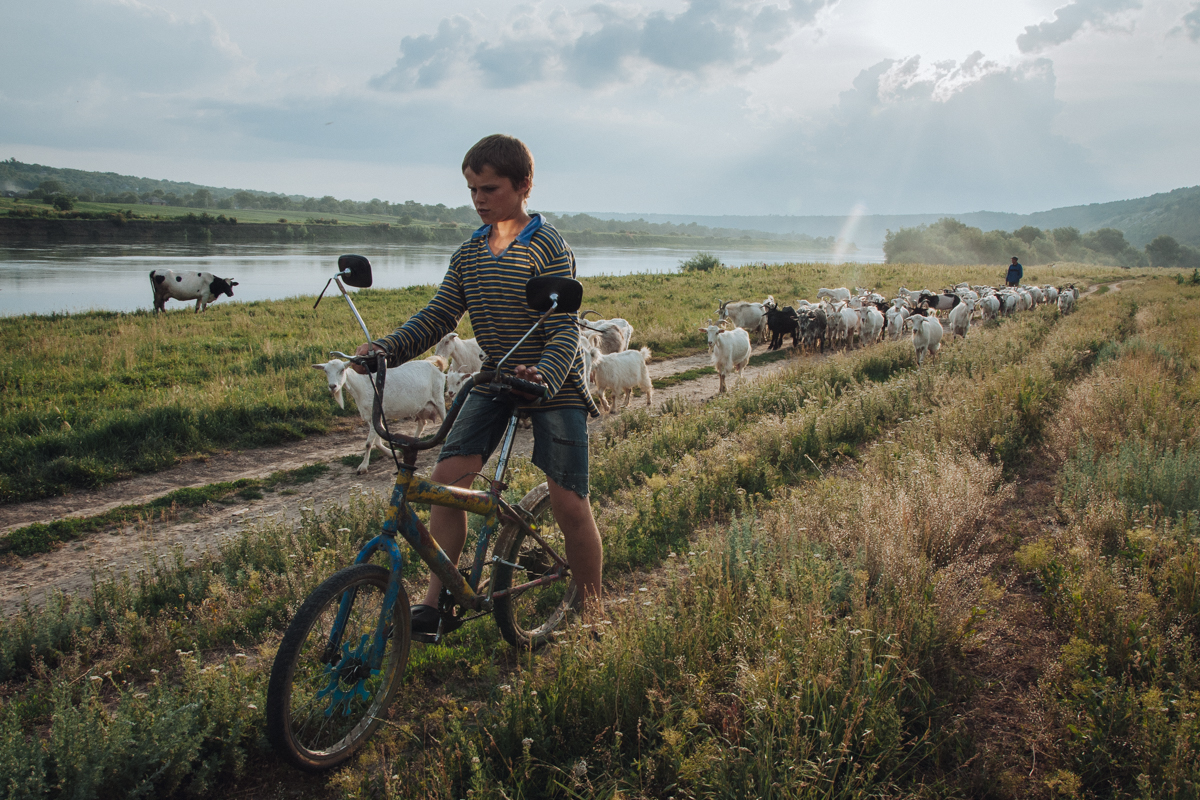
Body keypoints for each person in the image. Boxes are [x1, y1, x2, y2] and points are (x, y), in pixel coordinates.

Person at [352, 134, 603, 633]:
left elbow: (563, 331)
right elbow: (440, 314)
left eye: (490, 189)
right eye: (471, 189)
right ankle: (436, 601)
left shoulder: (548, 246)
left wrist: (545, 376)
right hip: (496, 377)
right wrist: (387, 349)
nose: (479, 200)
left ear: (524, 185)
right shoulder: (470, 250)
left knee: (568, 501)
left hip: (553, 382)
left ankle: (593, 610)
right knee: (446, 481)